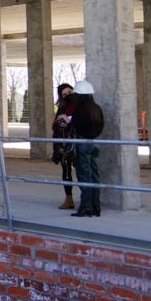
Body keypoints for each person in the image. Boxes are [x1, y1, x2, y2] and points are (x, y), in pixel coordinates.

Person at [69, 80, 104, 217]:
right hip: (94, 143)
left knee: (84, 175)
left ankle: (85, 207)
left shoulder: (80, 110)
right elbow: (100, 126)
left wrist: (69, 121)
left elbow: (76, 125)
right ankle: (96, 206)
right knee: (94, 174)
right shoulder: (96, 109)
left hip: (82, 143)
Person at [51, 83, 77, 209]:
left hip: (76, 142)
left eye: (69, 93)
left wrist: (68, 121)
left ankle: (88, 200)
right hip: (63, 143)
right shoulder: (61, 107)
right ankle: (69, 199)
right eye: (64, 94)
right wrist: (59, 122)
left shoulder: (80, 105)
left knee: (83, 171)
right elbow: (54, 125)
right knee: (66, 171)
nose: (67, 96)